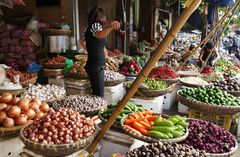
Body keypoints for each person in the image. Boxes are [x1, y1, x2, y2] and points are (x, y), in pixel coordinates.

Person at [83, 5, 120, 97]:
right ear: (100, 17)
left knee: (96, 93)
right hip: (96, 66)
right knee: (99, 95)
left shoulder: (88, 29)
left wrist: (97, 49)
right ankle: (99, 111)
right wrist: (112, 27)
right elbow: (99, 35)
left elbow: (83, 41)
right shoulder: (96, 25)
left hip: (94, 65)